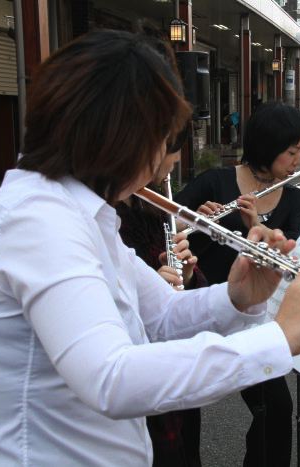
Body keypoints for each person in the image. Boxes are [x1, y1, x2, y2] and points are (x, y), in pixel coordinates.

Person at [0, 30, 300, 466]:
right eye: (162, 138)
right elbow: (111, 378)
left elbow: (160, 315)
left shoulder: (82, 214)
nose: (161, 161)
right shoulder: (37, 220)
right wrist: (277, 338)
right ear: (119, 136)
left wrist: (237, 296)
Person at [175, 102, 300, 467]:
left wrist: (257, 226)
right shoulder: (214, 182)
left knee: (277, 408)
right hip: (198, 310)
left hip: (255, 319)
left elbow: (295, 255)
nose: (298, 159)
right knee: (182, 412)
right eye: (291, 151)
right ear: (267, 148)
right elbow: (168, 229)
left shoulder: (296, 199)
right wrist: (190, 222)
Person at [116, 134, 205, 466]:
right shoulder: (104, 220)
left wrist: (189, 275)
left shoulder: (151, 206)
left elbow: (187, 294)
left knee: (184, 444)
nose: (175, 164)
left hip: (174, 357)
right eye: (170, 154)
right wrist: (151, 288)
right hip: (143, 372)